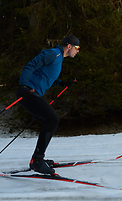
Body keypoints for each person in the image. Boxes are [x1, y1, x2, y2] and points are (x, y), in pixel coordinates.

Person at [17, 35, 80, 175]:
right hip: (28, 93)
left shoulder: (59, 59)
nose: (77, 51)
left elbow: (46, 77)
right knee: (53, 120)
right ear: (69, 46)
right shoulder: (53, 54)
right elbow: (30, 65)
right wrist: (23, 86)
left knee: (50, 121)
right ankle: (37, 161)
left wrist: (62, 83)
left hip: (33, 94)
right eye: (77, 48)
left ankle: (38, 159)